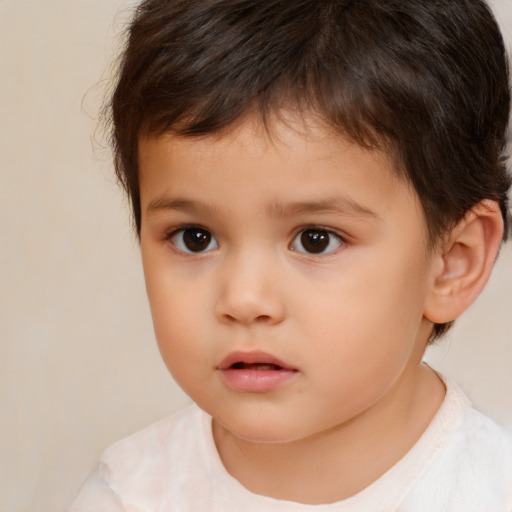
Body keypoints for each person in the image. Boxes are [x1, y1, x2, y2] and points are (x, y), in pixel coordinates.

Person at [70, 0, 512, 509]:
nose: (244, 299)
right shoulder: (127, 497)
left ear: (452, 262)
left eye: (315, 239)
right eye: (195, 237)